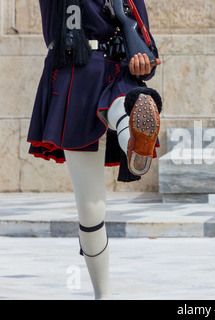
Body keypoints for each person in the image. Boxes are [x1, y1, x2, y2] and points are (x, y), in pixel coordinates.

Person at [27, 0, 161, 299]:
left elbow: (147, 50)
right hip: (77, 75)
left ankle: (133, 140)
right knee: (91, 209)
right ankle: (103, 294)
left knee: (127, 105)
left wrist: (144, 62)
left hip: (121, 75)